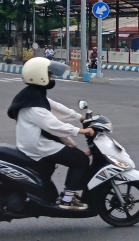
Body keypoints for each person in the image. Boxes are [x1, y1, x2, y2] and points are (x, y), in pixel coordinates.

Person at [9, 58, 95, 210]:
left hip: (35, 142)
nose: (52, 78)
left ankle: (67, 194)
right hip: (38, 145)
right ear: (39, 76)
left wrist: (79, 117)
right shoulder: (33, 105)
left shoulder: (33, 95)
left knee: (73, 155)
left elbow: (55, 107)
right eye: (49, 75)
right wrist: (80, 130)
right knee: (80, 160)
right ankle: (67, 199)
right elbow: (52, 125)